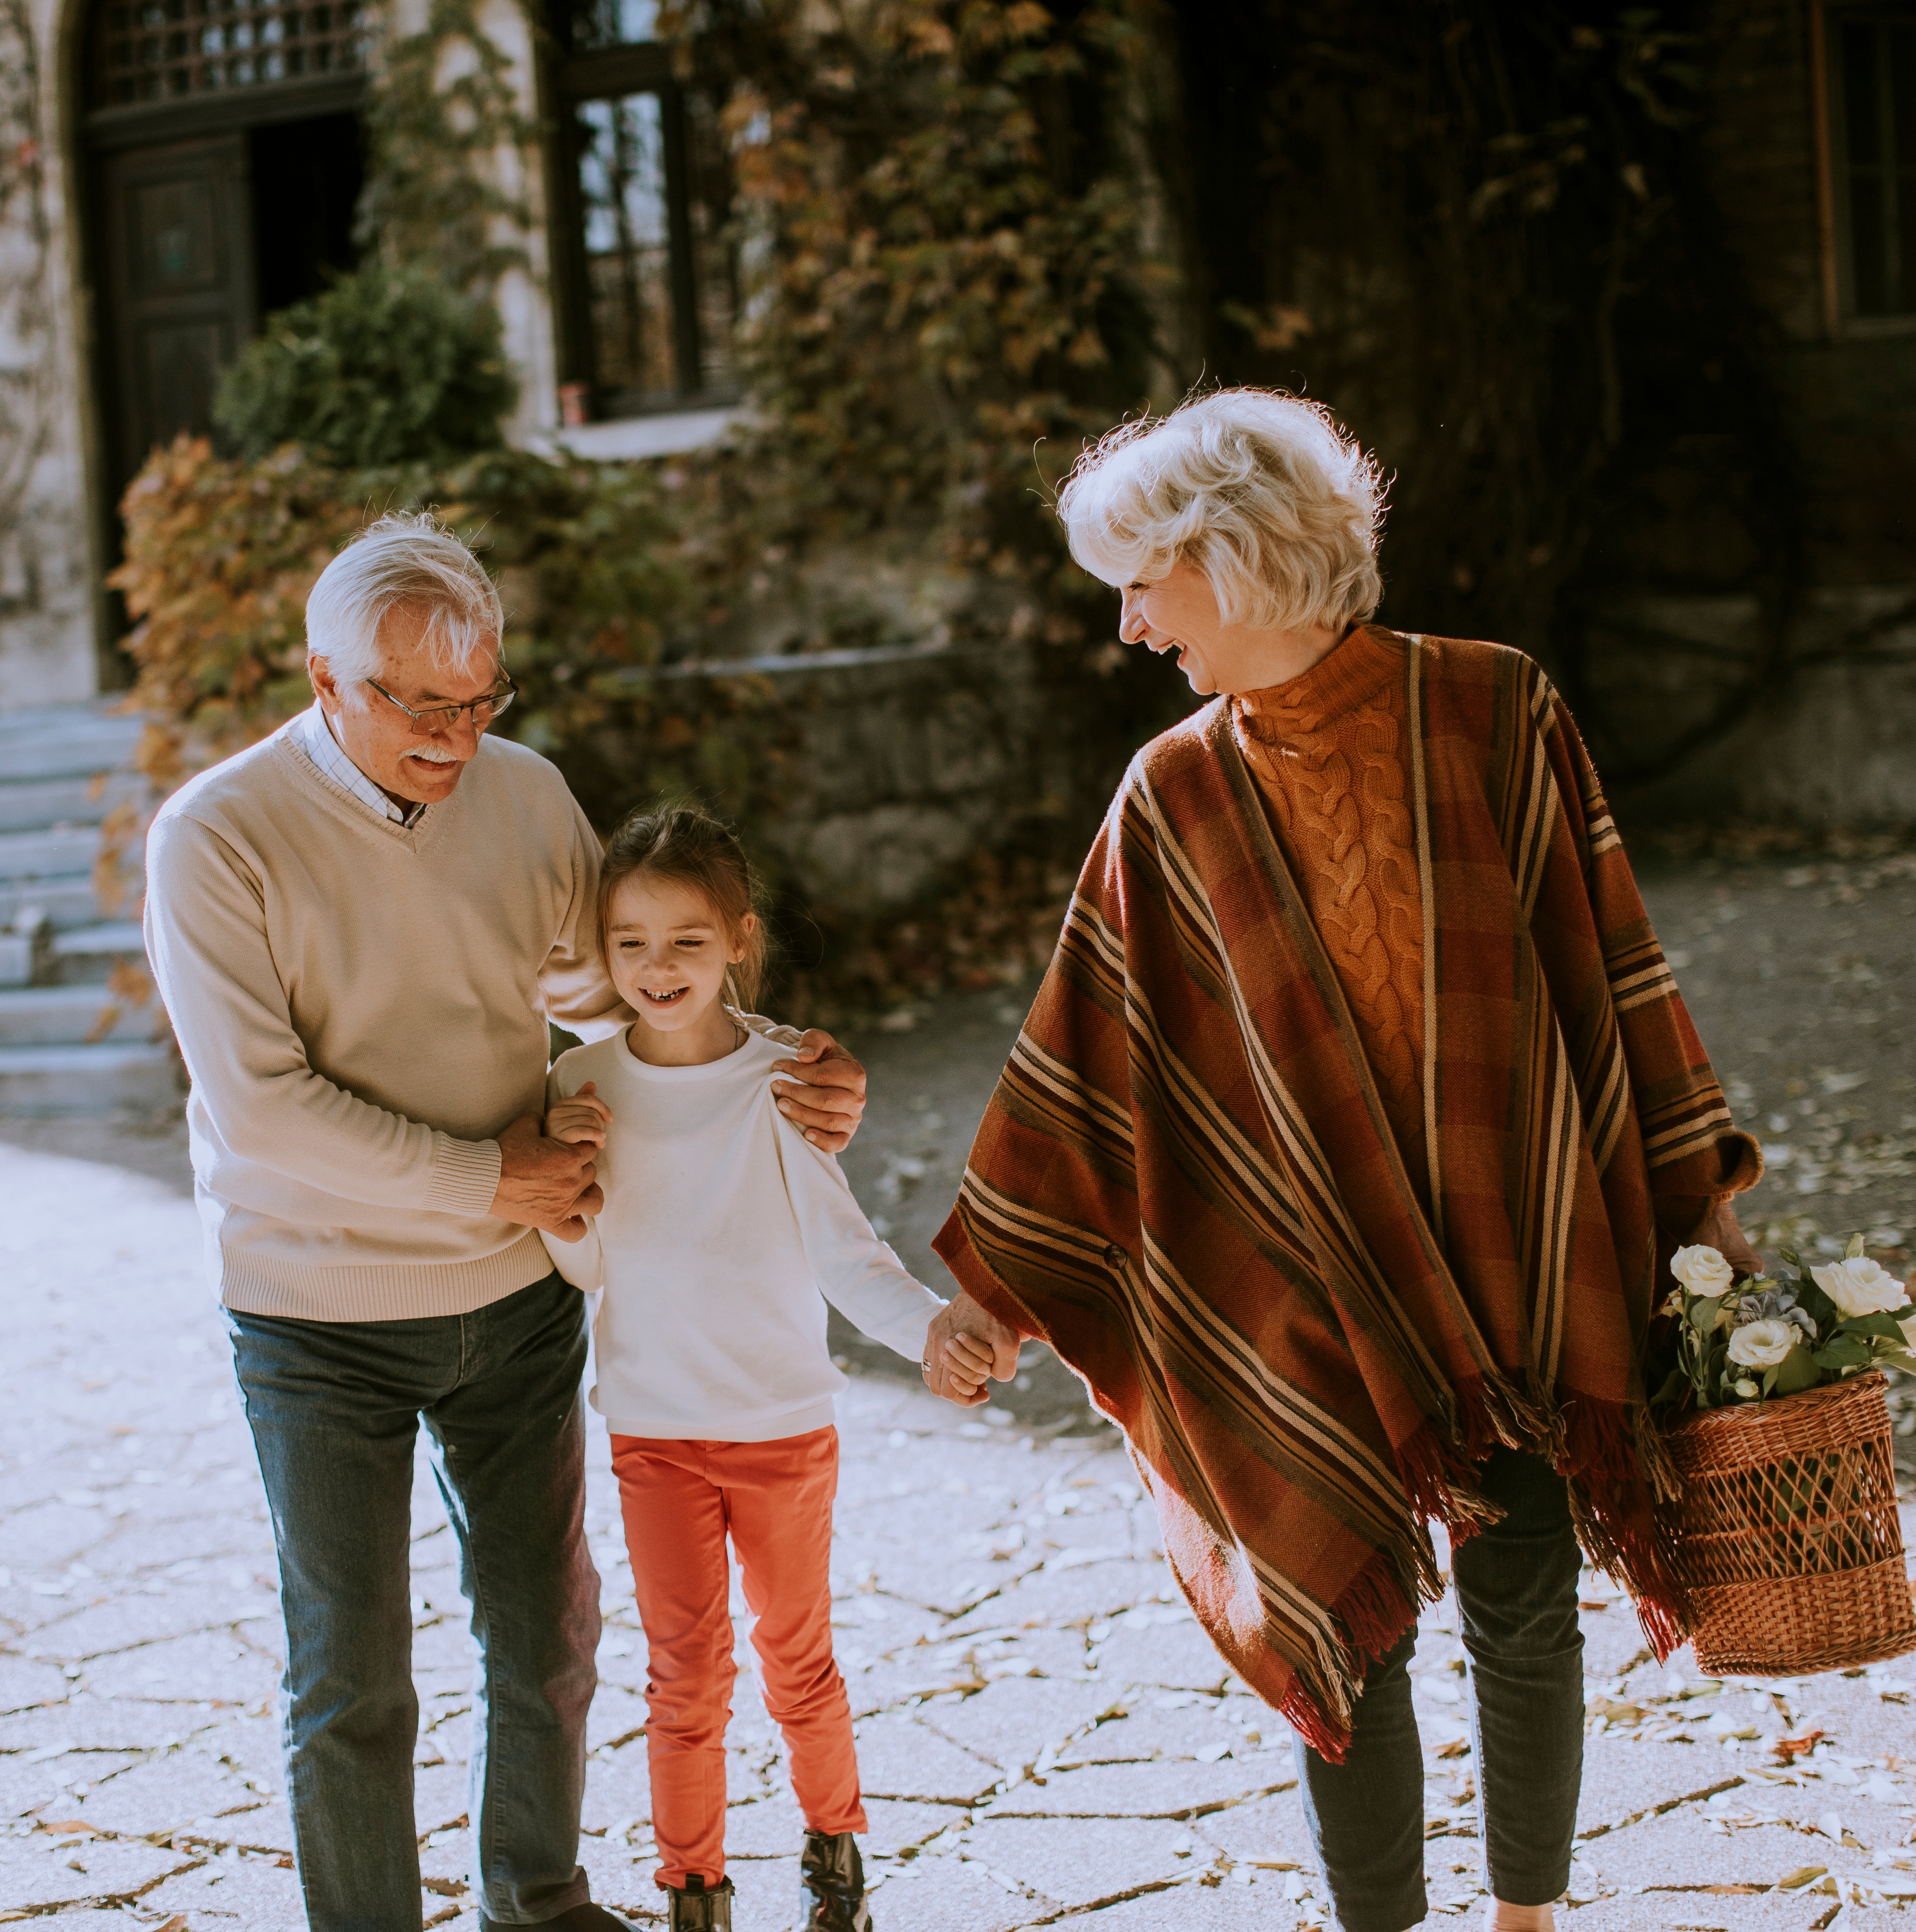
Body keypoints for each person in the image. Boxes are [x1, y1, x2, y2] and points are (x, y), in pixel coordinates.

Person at [919, 391, 1765, 1932]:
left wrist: (1695, 1203)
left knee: (1522, 1599)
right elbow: (1088, 1063)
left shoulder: (1497, 708)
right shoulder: (1170, 795)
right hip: (1300, 1267)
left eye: (1142, 581)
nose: (1126, 627)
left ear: (1231, 557)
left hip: (1505, 1220)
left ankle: (1526, 1919)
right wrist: (1002, 1299)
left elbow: (1606, 959)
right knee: (1333, 1605)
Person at [139, 514, 870, 1932]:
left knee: (550, 1638)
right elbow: (263, 1113)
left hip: (520, 1300)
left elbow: (625, 1000)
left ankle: (537, 1907)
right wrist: (488, 1178)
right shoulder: (215, 838)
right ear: (323, 678)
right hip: (316, 1317)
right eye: (418, 706)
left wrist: (782, 1063)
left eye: (479, 703)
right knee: (351, 1675)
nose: (454, 738)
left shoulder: (527, 799)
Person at [536, 807, 937, 1932]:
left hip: (780, 1427)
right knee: (684, 1677)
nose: (657, 968)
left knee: (797, 1659)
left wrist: (936, 1333)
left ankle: (835, 1857)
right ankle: (692, 1891)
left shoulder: (785, 1079)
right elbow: (581, 1262)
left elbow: (847, 1256)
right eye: (631, 942)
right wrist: (570, 1204)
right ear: (602, 950)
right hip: (654, 1431)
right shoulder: (584, 1080)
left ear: (738, 943)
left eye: (686, 941)